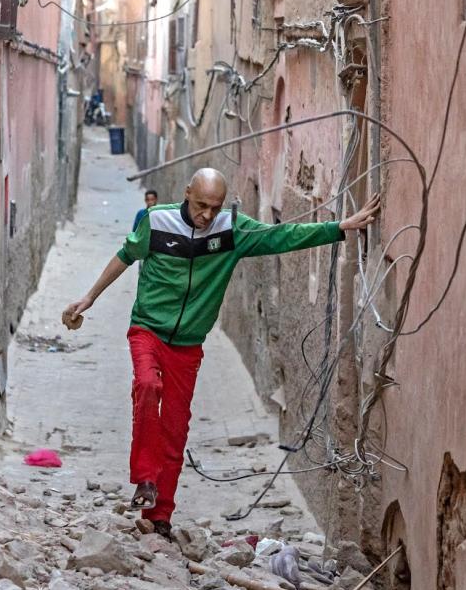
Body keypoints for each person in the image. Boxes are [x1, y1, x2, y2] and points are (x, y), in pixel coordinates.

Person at [62, 167, 381, 538]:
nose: (207, 215)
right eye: (201, 206)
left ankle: (159, 515)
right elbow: (125, 255)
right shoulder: (157, 220)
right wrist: (89, 297)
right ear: (186, 194)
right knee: (147, 386)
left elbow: (282, 236)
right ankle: (145, 479)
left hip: (188, 345)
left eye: (215, 208)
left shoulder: (232, 230)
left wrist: (339, 228)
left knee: (176, 429)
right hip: (147, 330)